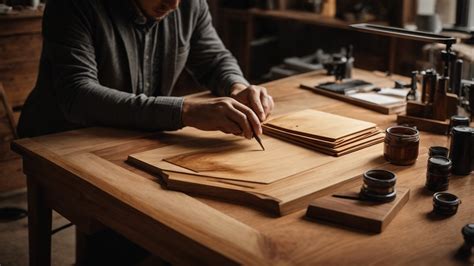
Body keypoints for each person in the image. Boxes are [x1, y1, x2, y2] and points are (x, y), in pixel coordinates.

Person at [17, 0, 274, 140]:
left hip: (132, 130)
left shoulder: (189, 5)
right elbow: (78, 95)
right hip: (59, 137)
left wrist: (237, 86)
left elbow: (215, 59)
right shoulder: (72, 6)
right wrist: (186, 111)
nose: (174, 5)